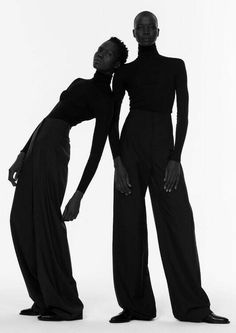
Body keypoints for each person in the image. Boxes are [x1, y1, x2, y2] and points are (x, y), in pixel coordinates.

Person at [108, 11, 229, 324]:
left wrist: (176, 157)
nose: (146, 32)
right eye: (140, 28)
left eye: (151, 27)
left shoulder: (176, 66)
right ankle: (136, 306)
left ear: (158, 31)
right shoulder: (124, 72)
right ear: (134, 33)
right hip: (131, 146)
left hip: (164, 146)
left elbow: (183, 115)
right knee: (128, 226)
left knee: (178, 223)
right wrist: (117, 161)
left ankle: (194, 307)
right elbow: (110, 118)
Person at [8, 37, 128, 322]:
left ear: (117, 64)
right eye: (100, 49)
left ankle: (66, 305)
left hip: (54, 149)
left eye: (107, 53)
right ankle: (42, 298)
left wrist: (78, 195)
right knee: (21, 219)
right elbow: (49, 116)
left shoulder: (106, 100)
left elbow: (98, 151)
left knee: (49, 223)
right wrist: (23, 153)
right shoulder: (78, 83)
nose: (100, 55)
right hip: (39, 142)